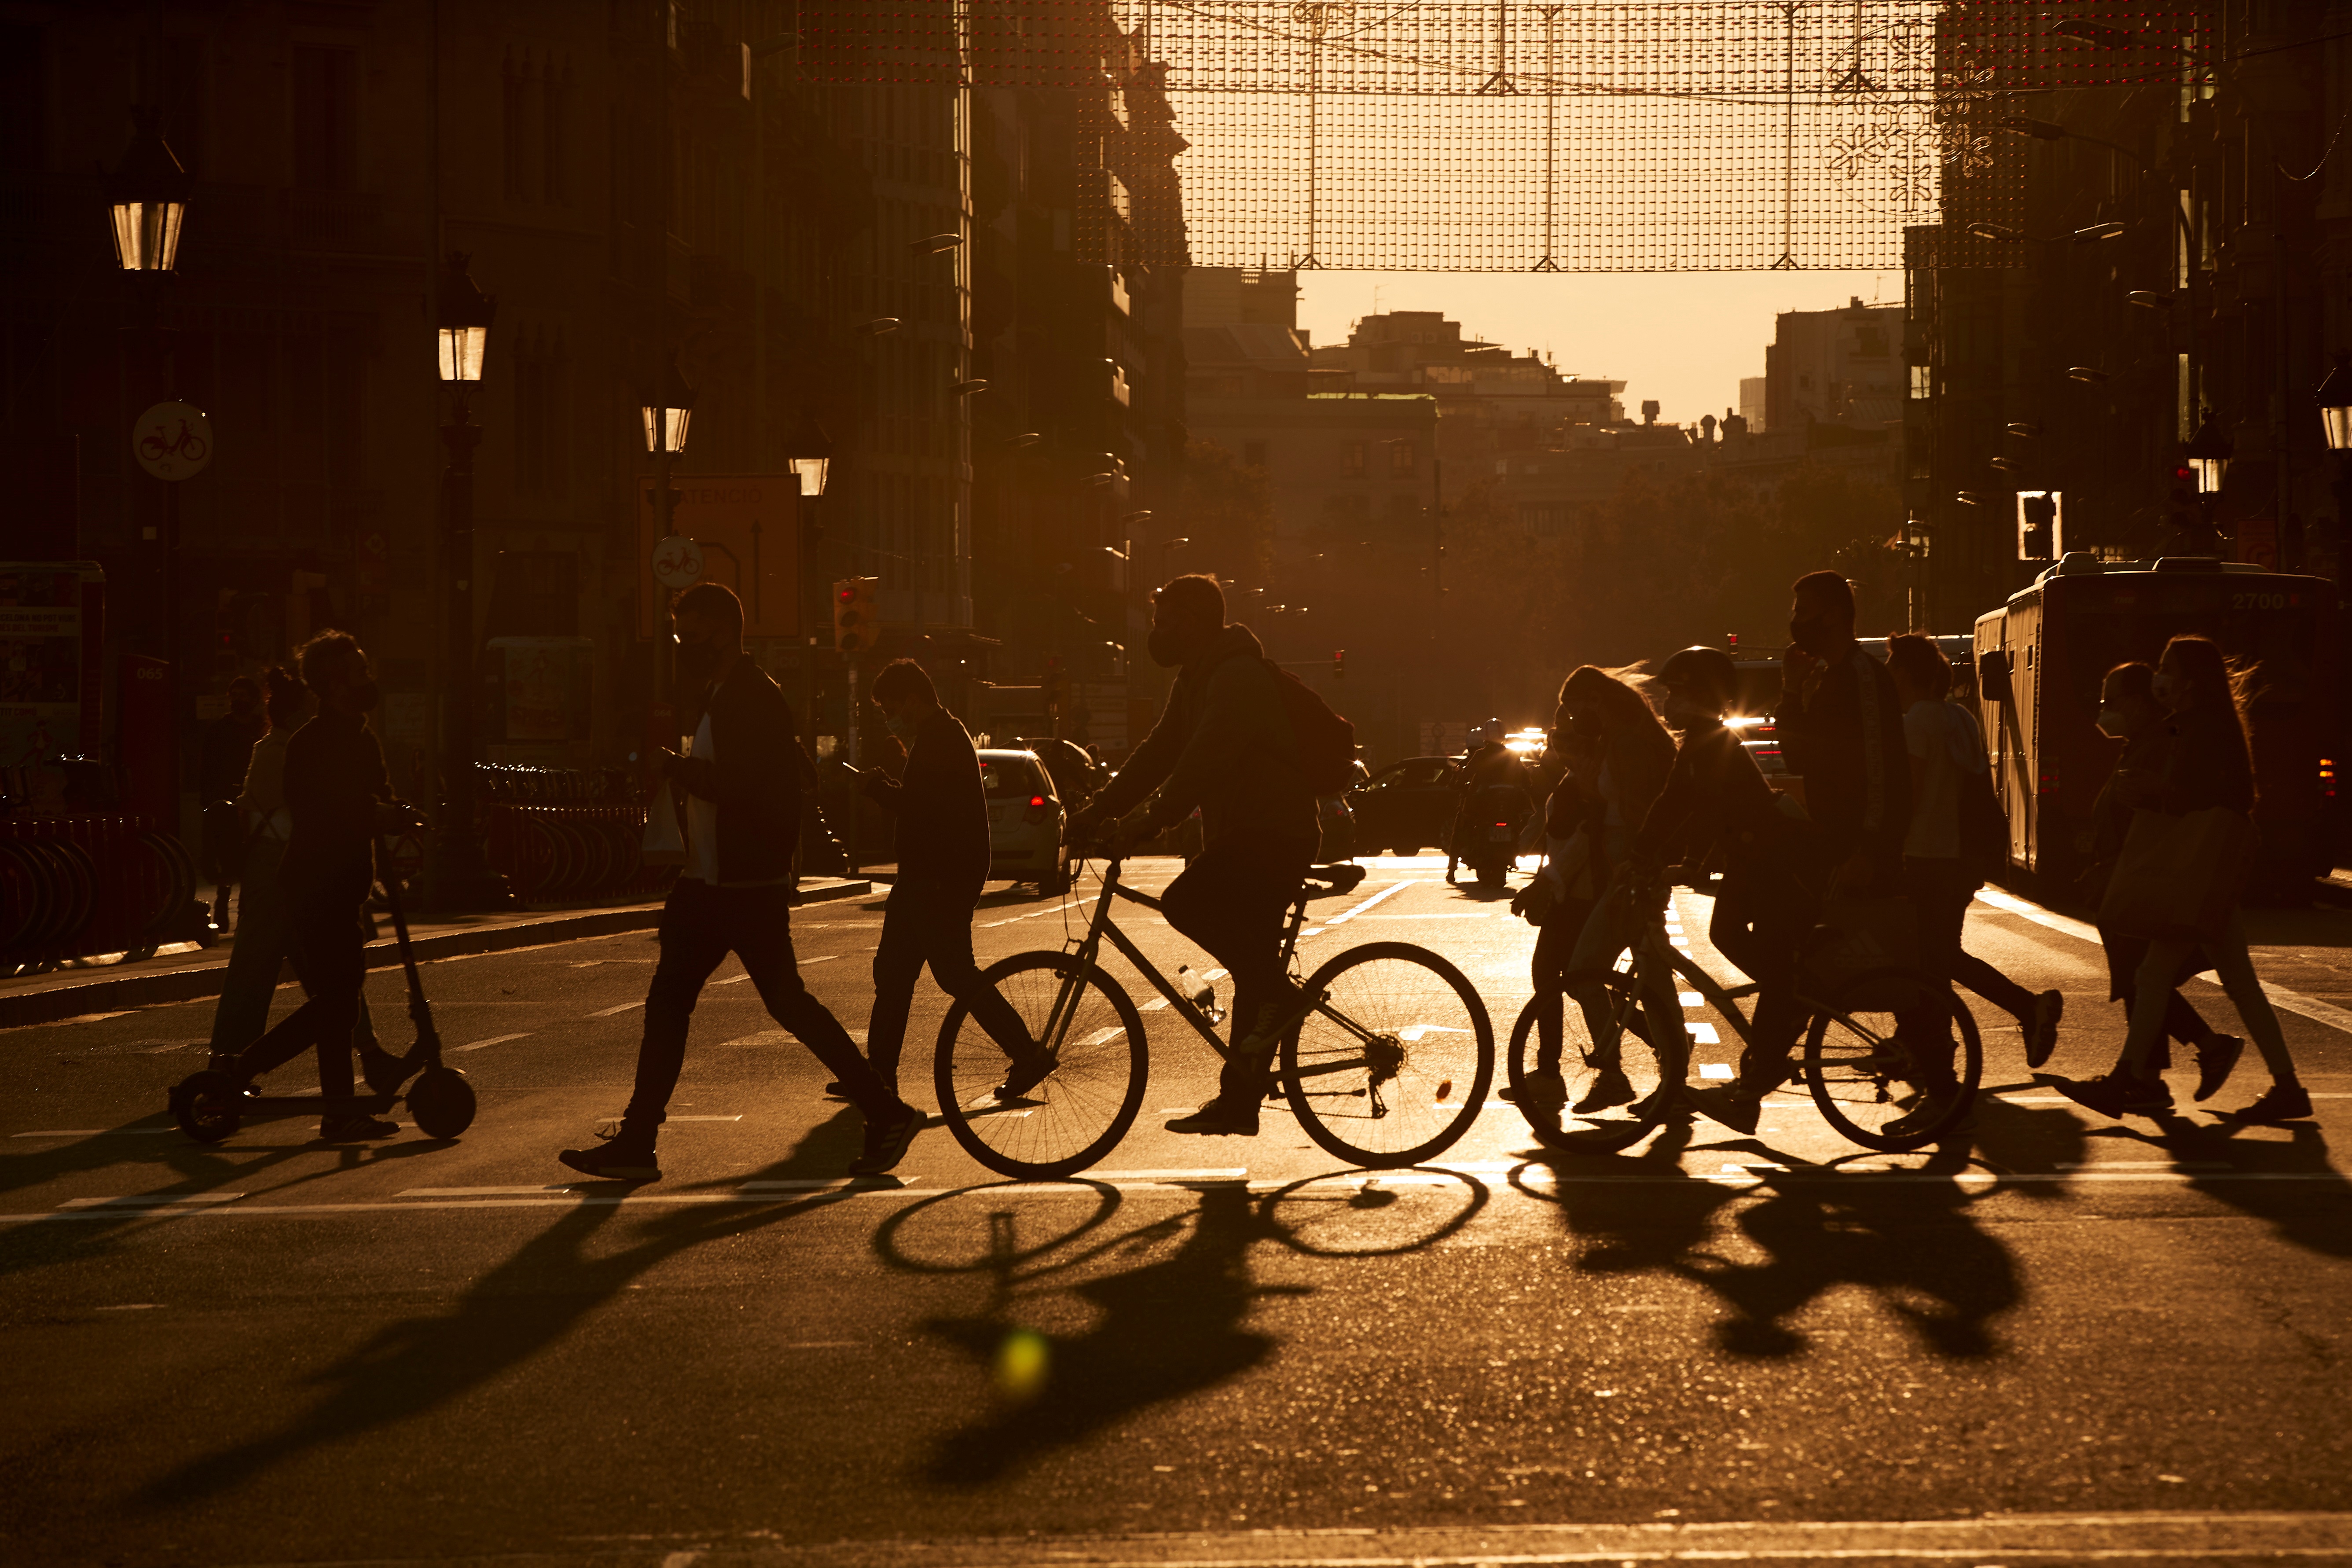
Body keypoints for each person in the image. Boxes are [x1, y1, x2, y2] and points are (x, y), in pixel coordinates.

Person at [558, 583, 920, 1181]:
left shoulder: (748, 695)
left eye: (689, 634)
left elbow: (748, 785)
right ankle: (639, 1138)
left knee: (773, 1002)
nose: (681, 645)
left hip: (740, 883)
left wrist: (678, 769)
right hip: (716, 878)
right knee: (691, 1000)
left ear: (722, 632)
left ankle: (884, 1108)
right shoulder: (725, 692)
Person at [1070, 573, 1319, 1136]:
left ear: (1197, 622)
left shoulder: (1235, 677)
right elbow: (1159, 753)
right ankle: (1238, 1103)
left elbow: (1201, 762)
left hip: (1272, 835)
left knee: (1184, 902)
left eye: (1166, 620)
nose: (1157, 630)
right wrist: (1097, 809)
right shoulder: (1196, 678)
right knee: (1250, 976)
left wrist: (1143, 821)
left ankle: (1283, 997)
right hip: (1247, 836)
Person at [2053, 635, 2308, 1124]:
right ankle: (2284, 1085)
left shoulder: (2207, 728)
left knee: (2155, 976)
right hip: (2198, 871)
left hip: (2197, 870)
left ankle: (2127, 1077)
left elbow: (2231, 794)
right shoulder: (2186, 726)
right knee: (2233, 983)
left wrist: (2162, 794)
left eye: (2167, 667)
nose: (2159, 677)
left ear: (2190, 679)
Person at [194, 634, 413, 1141]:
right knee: (336, 999)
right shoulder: (309, 743)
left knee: (339, 998)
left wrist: (397, 810)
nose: (368, 680)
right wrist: (372, 812)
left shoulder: (361, 736)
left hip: (348, 883)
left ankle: (337, 1109)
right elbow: (319, 812)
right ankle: (245, 1071)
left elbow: (375, 792)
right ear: (337, 683)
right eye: (360, 672)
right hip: (314, 884)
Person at [1644, 645, 1825, 1135]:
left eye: (1676, 693)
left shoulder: (1714, 745)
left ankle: (1755, 1078)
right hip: (1751, 861)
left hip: (1774, 865)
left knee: (1769, 964)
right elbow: (1688, 806)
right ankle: (1787, 997)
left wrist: (1653, 857)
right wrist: (1683, 860)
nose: (1667, 704)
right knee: (1725, 936)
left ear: (1702, 695)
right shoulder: (1700, 745)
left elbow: (1686, 807)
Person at [847, 658, 1043, 1100]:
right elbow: (925, 803)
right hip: (923, 876)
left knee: (954, 973)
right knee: (893, 974)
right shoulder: (937, 736)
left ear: (913, 700)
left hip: (938, 878)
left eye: (890, 707)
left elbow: (924, 808)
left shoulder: (940, 738)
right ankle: (876, 1075)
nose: (888, 716)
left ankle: (1027, 1053)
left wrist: (878, 790)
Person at [1885, 635, 2062, 1101]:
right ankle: (2023, 1009)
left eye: (1891, 664)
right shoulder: (1959, 717)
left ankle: (1931, 1056)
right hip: (1962, 855)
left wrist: (1884, 840)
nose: (1887, 672)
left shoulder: (1917, 719)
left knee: (1924, 962)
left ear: (1904, 671)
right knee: (1941, 955)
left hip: (1925, 854)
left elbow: (1912, 791)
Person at [1519, 667, 1678, 1116]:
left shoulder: (1630, 742)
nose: (1572, 721)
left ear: (1594, 699)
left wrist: (1592, 793)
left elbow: (1633, 810)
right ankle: (1669, 1073)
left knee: (1585, 972)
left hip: (1628, 871)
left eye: (1574, 709)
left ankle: (1628, 1073)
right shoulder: (1616, 736)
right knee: (1646, 977)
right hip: (1623, 871)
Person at [203, 665, 379, 1071]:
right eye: (311, 705)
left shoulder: (291, 746)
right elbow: (316, 803)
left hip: (298, 866)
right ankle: (230, 1061)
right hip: (275, 869)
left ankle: (367, 1050)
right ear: (297, 712)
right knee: (256, 969)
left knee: (334, 976)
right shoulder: (281, 751)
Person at [2078, 662, 2238, 1091]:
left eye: (2107, 701)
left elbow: (2151, 813)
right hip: (2127, 872)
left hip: (2138, 875)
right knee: (2142, 979)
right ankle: (2150, 1074)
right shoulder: (2140, 742)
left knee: (2141, 976)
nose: (2103, 711)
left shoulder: (2155, 743)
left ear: (2133, 702)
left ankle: (2191, 1054)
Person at [198, 676, 266, 927]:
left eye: (243, 695)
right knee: (226, 854)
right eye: (234, 695)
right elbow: (207, 767)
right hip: (225, 799)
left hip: (253, 799)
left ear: (254, 700)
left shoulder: (261, 729)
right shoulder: (220, 729)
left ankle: (245, 908)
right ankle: (223, 902)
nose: (238, 700)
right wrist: (209, 800)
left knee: (252, 856)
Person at [1446, 727, 1535, 884]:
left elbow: (1466, 775)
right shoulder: (1511, 755)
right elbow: (1526, 780)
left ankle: (1452, 868)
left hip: (1486, 807)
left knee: (1460, 825)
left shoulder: (1482, 755)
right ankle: (1453, 867)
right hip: (1505, 808)